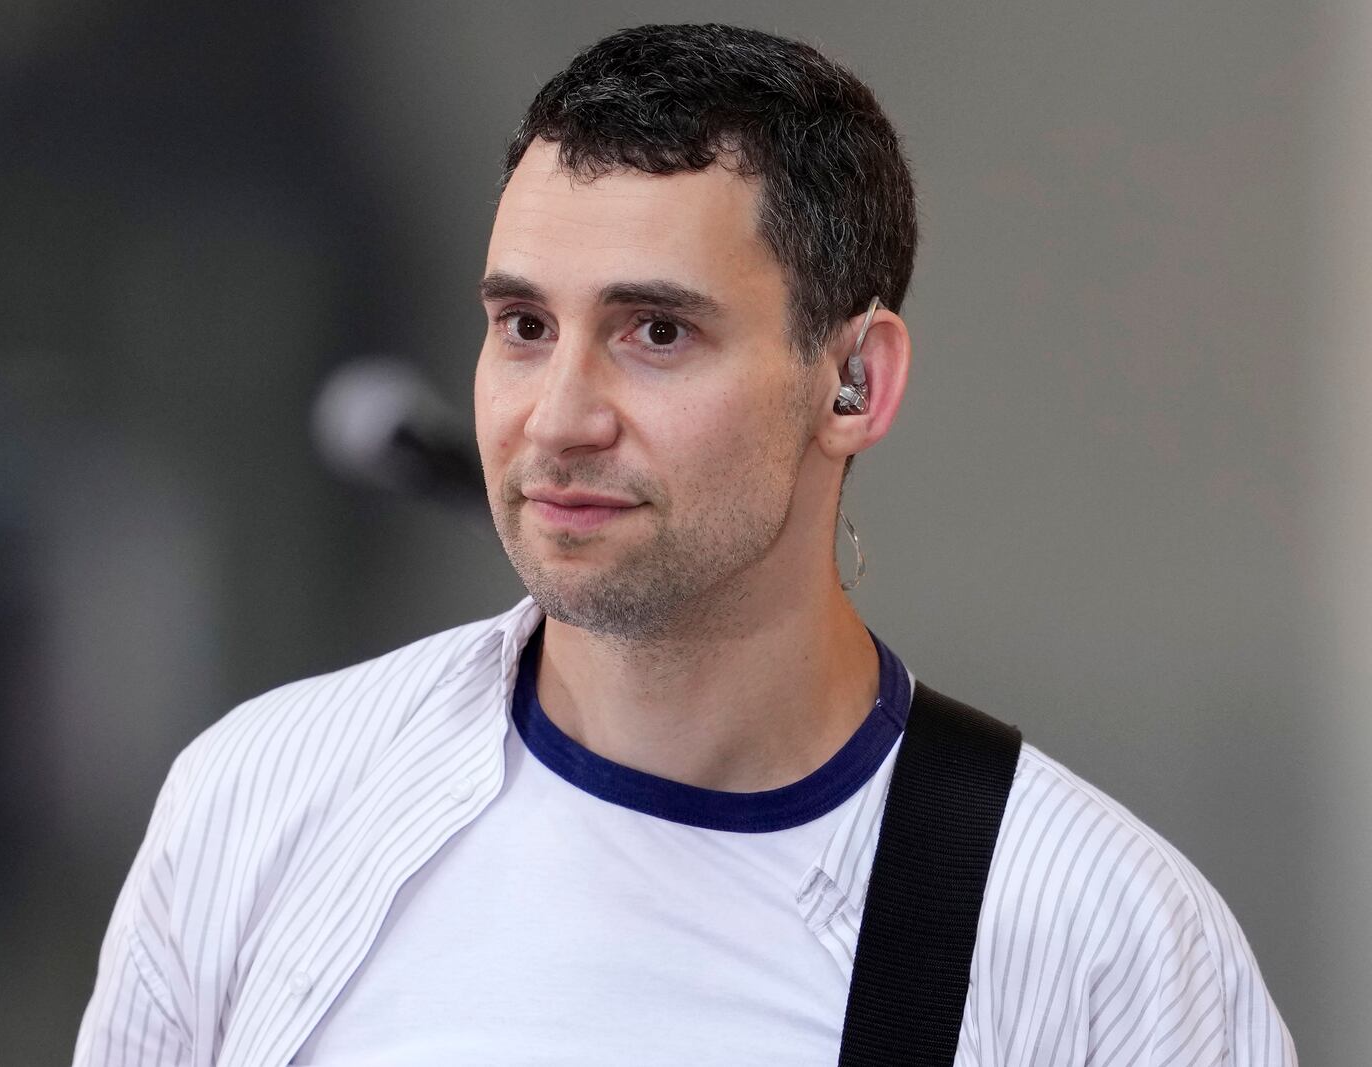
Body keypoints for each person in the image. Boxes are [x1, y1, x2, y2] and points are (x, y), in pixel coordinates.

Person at [74, 23, 1295, 1066]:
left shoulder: (1100, 939)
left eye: (655, 330)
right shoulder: (263, 801)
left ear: (855, 382)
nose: (558, 418)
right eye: (523, 325)